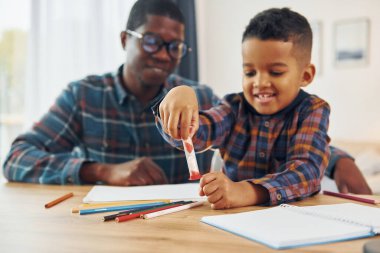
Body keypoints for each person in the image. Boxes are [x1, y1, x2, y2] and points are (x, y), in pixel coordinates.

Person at [2, 0, 371, 195]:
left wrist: (337, 161)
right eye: (151, 41)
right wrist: (100, 171)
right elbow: (16, 158)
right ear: (124, 40)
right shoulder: (83, 96)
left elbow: (270, 130)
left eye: (175, 46)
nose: (164, 54)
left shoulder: (201, 96)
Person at [155, 7, 368, 209]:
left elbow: (307, 172)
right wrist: (179, 106)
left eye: (275, 72)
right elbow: (198, 133)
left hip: (295, 221)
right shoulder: (233, 107)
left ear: (305, 75)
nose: (259, 82)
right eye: (250, 72)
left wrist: (246, 192)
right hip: (233, 221)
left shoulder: (312, 110)